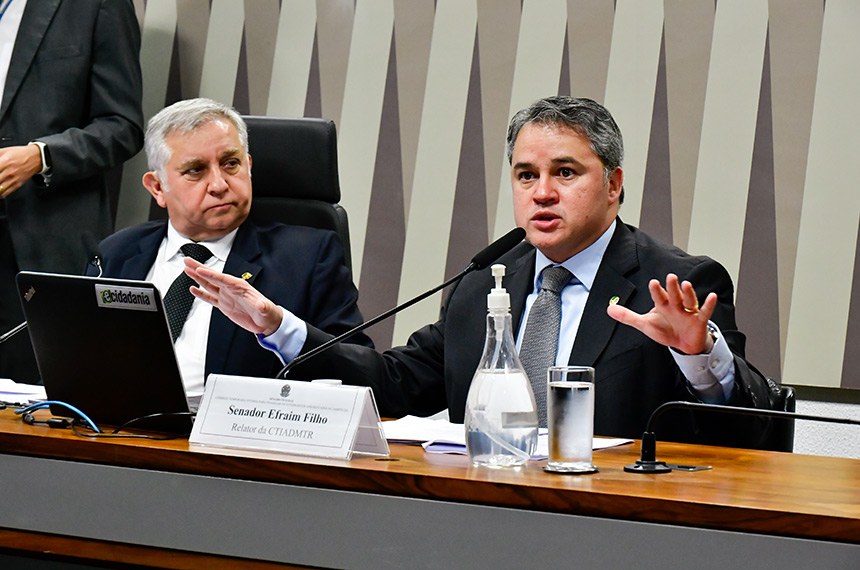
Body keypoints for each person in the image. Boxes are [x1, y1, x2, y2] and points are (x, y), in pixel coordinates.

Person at [185, 96, 775, 448]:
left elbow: (750, 433)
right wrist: (276, 324)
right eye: (525, 175)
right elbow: (394, 385)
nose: (542, 193)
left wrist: (699, 357)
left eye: (565, 173)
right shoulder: (485, 281)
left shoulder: (678, 284)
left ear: (615, 184)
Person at [88, 98, 371, 405]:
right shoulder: (116, 253)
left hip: (231, 439)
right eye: (196, 170)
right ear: (157, 187)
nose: (219, 184)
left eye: (230, 163)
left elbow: (356, 373)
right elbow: (78, 359)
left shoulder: (307, 258)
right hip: (115, 430)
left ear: (248, 166)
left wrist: (278, 328)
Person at [0, 0, 144, 383]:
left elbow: (122, 125)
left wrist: (41, 156)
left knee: (39, 403)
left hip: (40, 240)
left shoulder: (95, 6)